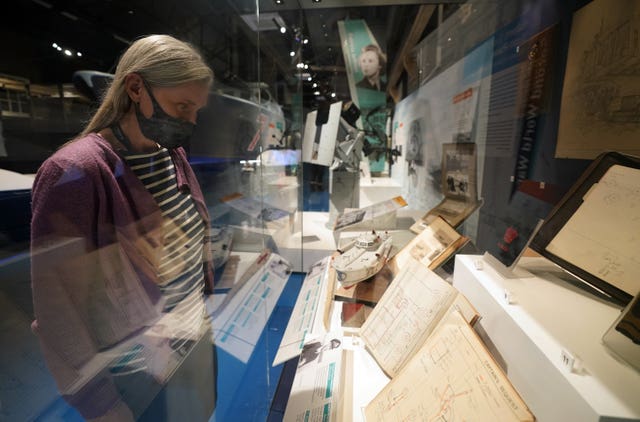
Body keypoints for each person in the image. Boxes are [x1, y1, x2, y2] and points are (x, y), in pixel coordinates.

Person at [30, 34, 216, 421]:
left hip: (192, 345)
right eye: (182, 106)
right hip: (137, 378)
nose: (190, 121)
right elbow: (57, 311)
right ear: (135, 88)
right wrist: (103, 407)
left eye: (196, 109)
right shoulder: (74, 171)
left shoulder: (173, 156)